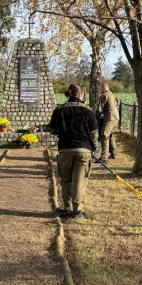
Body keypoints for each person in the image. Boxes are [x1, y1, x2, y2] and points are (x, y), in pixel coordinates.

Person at [48, 84, 98, 220]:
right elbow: (94, 133)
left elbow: (52, 130)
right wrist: (94, 149)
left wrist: (62, 131)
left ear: (69, 94)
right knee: (79, 180)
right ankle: (77, 211)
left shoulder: (59, 110)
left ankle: (67, 208)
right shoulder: (87, 111)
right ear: (80, 95)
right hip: (83, 149)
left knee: (65, 180)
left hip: (65, 149)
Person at [95, 82, 119, 161]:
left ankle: (104, 158)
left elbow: (99, 109)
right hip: (115, 117)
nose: (100, 90)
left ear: (104, 88)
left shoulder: (104, 95)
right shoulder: (112, 94)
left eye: (100, 89)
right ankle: (113, 154)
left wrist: (96, 117)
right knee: (111, 135)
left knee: (104, 135)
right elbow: (116, 104)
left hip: (109, 118)